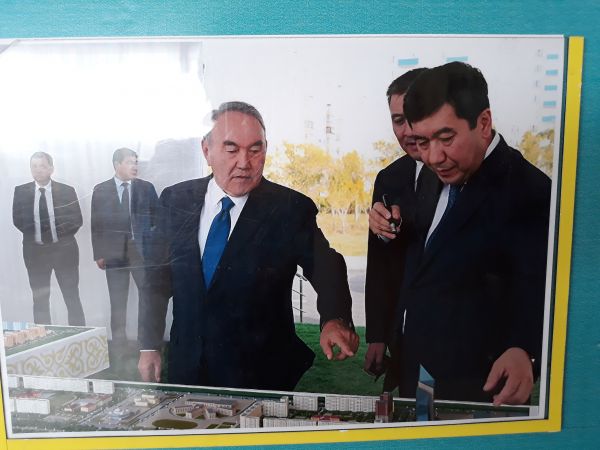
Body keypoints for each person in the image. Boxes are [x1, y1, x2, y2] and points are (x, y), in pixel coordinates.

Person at [138, 101, 359, 391]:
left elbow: (326, 266)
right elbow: (156, 279)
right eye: (232, 150)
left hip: (260, 372)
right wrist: (149, 345)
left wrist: (335, 318)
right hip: (188, 364)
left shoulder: (290, 208)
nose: (244, 162)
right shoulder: (175, 199)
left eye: (255, 150)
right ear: (207, 150)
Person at [396, 61, 551, 404]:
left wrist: (525, 350)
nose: (434, 157)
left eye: (445, 138)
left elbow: (537, 286)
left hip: (479, 391)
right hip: (417, 373)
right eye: (422, 141)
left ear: (483, 123)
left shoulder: (532, 191)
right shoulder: (432, 175)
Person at [363, 68, 441, 392]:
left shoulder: (465, 172)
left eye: (416, 117)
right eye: (398, 120)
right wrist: (378, 335)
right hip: (404, 343)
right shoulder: (389, 178)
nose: (408, 131)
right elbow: (380, 263)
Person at [91, 148, 159, 343]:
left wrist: (154, 251)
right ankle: (119, 347)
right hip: (113, 254)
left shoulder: (146, 188)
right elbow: (96, 225)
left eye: (136, 162)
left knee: (147, 299)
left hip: (141, 253)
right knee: (117, 301)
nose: (135, 166)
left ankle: (145, 344)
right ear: (117, 165)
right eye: (129, 162)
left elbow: (157, 221)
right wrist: (99, 254)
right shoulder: (100, 190)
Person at [12, 152, 86, 325]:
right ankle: (44, 337)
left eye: (42, 166)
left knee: (71, 296)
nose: (38, 170)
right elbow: (18, 220)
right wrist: (38, 236)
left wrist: (57, 237)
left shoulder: (67, 191)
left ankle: (80, 335)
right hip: (35, 253)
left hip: (63, 252)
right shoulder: (21, 191)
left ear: (51, 168)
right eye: (34, 166)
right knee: (40, 300)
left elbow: (76, 220)